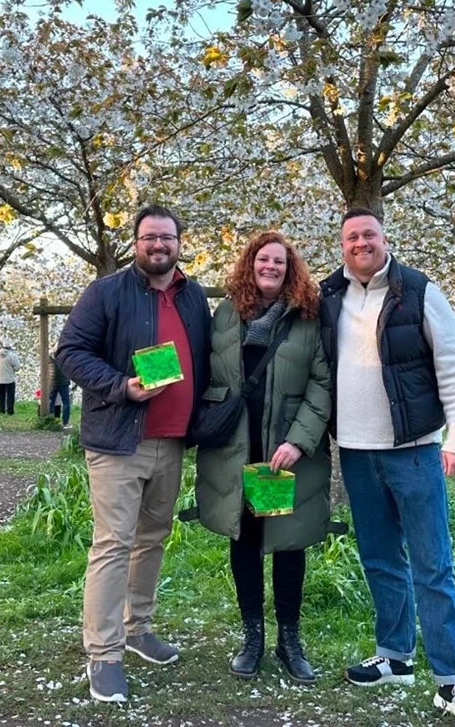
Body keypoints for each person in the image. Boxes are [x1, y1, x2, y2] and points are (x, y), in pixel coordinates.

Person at [318, 209, 455, 727]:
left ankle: (453, 683)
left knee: (432, 564)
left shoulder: (418, 291)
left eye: (368, 234)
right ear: (343, 245)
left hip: (414, 448)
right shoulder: (331, 296)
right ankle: (394, 656)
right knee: (378, 557)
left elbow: (454, 365)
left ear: (384, 238)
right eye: (351, 237)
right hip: (354, 449)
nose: (360, 243)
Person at [54, 204, 211, 704]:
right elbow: (71, 352)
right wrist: (122, 386)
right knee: (113, 544)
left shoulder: (194, 297)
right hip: (121, 440)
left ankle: (138, 627)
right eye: (148, 238)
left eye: (166, 237)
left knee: (153, 539)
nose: (158, 245)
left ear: (180, 242)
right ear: (135, 243)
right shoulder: (106, 292)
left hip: (172, 440)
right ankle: (104, 653)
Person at [195, 231, 332, 684]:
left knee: (288, 543)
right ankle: (252, 635)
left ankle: (289, 638)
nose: (270, 267)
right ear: (250, 264)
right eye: (263, 259)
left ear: (291, 270)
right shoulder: (226, 314)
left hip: (282, 453)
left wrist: (298, 441)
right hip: (238, 450)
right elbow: (204, 371)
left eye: (279, 261)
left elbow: (322, 384)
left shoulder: (308, 318)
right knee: (247, 539)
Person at [0, 340, 20, 415]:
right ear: (10, 347)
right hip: (9, 379)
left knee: (1, 396)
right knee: (10, 396)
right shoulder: (12, 355)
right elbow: (17, 367)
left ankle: (1, 410)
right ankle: (10, 411)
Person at [49, 355, 72, 428]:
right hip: (64, 383)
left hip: (52, 382)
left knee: (51, 402)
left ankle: (50, 420)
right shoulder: (65, 358)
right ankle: (65, 422)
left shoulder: (50, 359)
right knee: (66, 403)